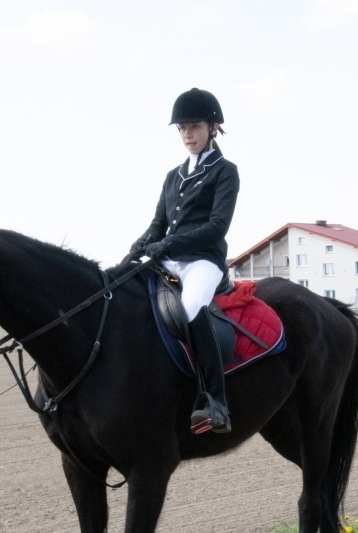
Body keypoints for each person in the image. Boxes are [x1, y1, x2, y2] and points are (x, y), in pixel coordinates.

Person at [130, 88, 240, 435]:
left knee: (191, 306)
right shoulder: (172, 176)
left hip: (203, 261)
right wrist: (138, 247)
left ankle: (215, 401)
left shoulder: (225, 171)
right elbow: (157, 225)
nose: (187, 135)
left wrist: (168, 243)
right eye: (181, 129)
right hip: (169, 258)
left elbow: (216, 227)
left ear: (213, 127)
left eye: (193, 126)